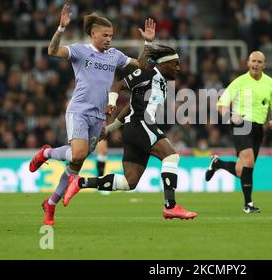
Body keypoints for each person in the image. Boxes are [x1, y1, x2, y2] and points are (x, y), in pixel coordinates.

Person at [29, 4, 156, 225]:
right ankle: (47, 153)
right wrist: (60, 29)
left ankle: (50, 205)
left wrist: (148, 42)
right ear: (93, 34)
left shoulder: (114, 56)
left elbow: (142, 65)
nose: (109, 39)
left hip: (99, 117)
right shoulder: (79, 51)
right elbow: (52, 51)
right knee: (79, 153)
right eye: (105, 35)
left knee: (74, 168)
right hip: (78, 110)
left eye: (111, 36)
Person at [62, 45, 197, 220]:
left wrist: (110, 129)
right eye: (175, 64)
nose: (179, 68)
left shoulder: (162, 83)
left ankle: (80, 182)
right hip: (140, 124)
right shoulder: (147, 74)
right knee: (171, 157)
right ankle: (170, 206)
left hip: (132, 129)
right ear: (163, 64)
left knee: (129, 182)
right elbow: (118, 85)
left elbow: (130, 106)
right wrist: (111, 103)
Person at [205, 51, 272, 213]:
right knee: (249, 162)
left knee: (241, 171)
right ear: (247, 63)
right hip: (241, 124)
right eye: (253, 61)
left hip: (258, 128)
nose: (256, 64)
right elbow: (221, 104)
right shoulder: (239, 82)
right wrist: (230, 116)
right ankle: (248, 205)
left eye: (259, 62)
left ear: (264, 65)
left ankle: (217, 163)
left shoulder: (270, 83)